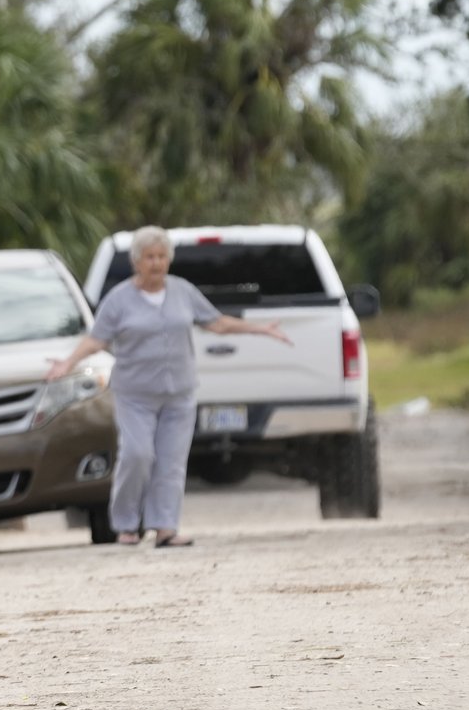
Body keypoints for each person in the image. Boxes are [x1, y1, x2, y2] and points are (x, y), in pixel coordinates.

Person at [45, 226, 291, 547]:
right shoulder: (119, 299)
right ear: (136, 261)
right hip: (135, 395)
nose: (156, 263)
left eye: (162, 256)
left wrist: (259, 329)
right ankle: (126, 524)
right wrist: (67, 363)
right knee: (137, 455)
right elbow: (96, 339)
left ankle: (165, 527)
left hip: (179, 393)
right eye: (149, 257)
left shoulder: (182, 291)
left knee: (172, 461)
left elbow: (216, 322)